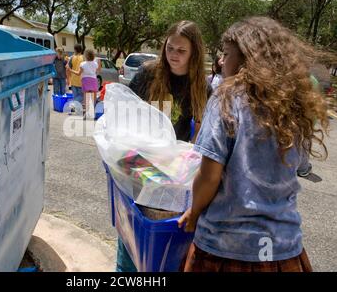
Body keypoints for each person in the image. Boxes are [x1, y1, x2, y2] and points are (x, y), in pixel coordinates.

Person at [178, 16, 331, 272]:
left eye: (227, 54)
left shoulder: (226, 99)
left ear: (248, 59)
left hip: (225, 249)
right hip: (284, 250)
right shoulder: (294, 106)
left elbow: (209, 176)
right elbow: (299, 167)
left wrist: (193, 213)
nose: (222, 62)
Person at [116, 20, 208, 272]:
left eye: (181, 51)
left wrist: (189, 166)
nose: (173, 56)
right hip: (139, 165)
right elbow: (126, 114)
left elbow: (201, 135)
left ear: (194, 54)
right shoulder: (148, 73)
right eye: (170, 48)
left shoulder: (201, 85)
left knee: (162, 248)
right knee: (131, 242)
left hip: (174, 175)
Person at [70, 49, 101, 119]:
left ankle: (86, 115)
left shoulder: (82, 64)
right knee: (93, 99)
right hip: (93, 81)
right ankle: (93, 114)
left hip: (85, 81)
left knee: (86, 99)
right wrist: (99, 63)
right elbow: (98, 71)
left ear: (86, 56)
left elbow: (78, 73)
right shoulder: (95, 64)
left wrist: (70, 70)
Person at [66, 44, 84, 110]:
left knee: (76, 96)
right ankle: (73, 105)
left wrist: (68, 79)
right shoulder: (83, 58)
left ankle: (73, 108)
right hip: (81, 81)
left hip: (73, 81)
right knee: (81, 96)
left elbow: (67, 68)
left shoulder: (72, 58)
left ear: (75, 50)